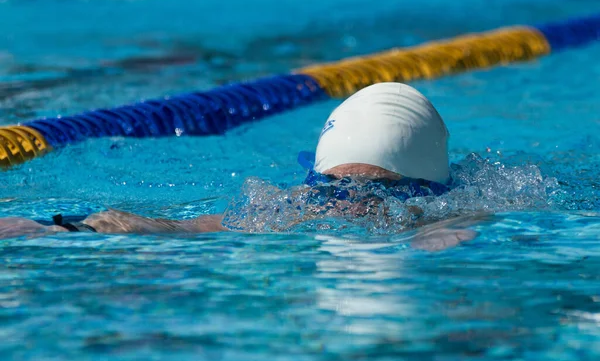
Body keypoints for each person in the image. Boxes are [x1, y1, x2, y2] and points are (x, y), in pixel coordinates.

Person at [0, 82, 478, 248]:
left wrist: (452, 228)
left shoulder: (457, 208)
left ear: (426, 191)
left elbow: (488, 215)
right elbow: (184, 228)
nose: (347, 206)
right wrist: (64, 230)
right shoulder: (299, 208)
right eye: (331, 188)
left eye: (378, 192)